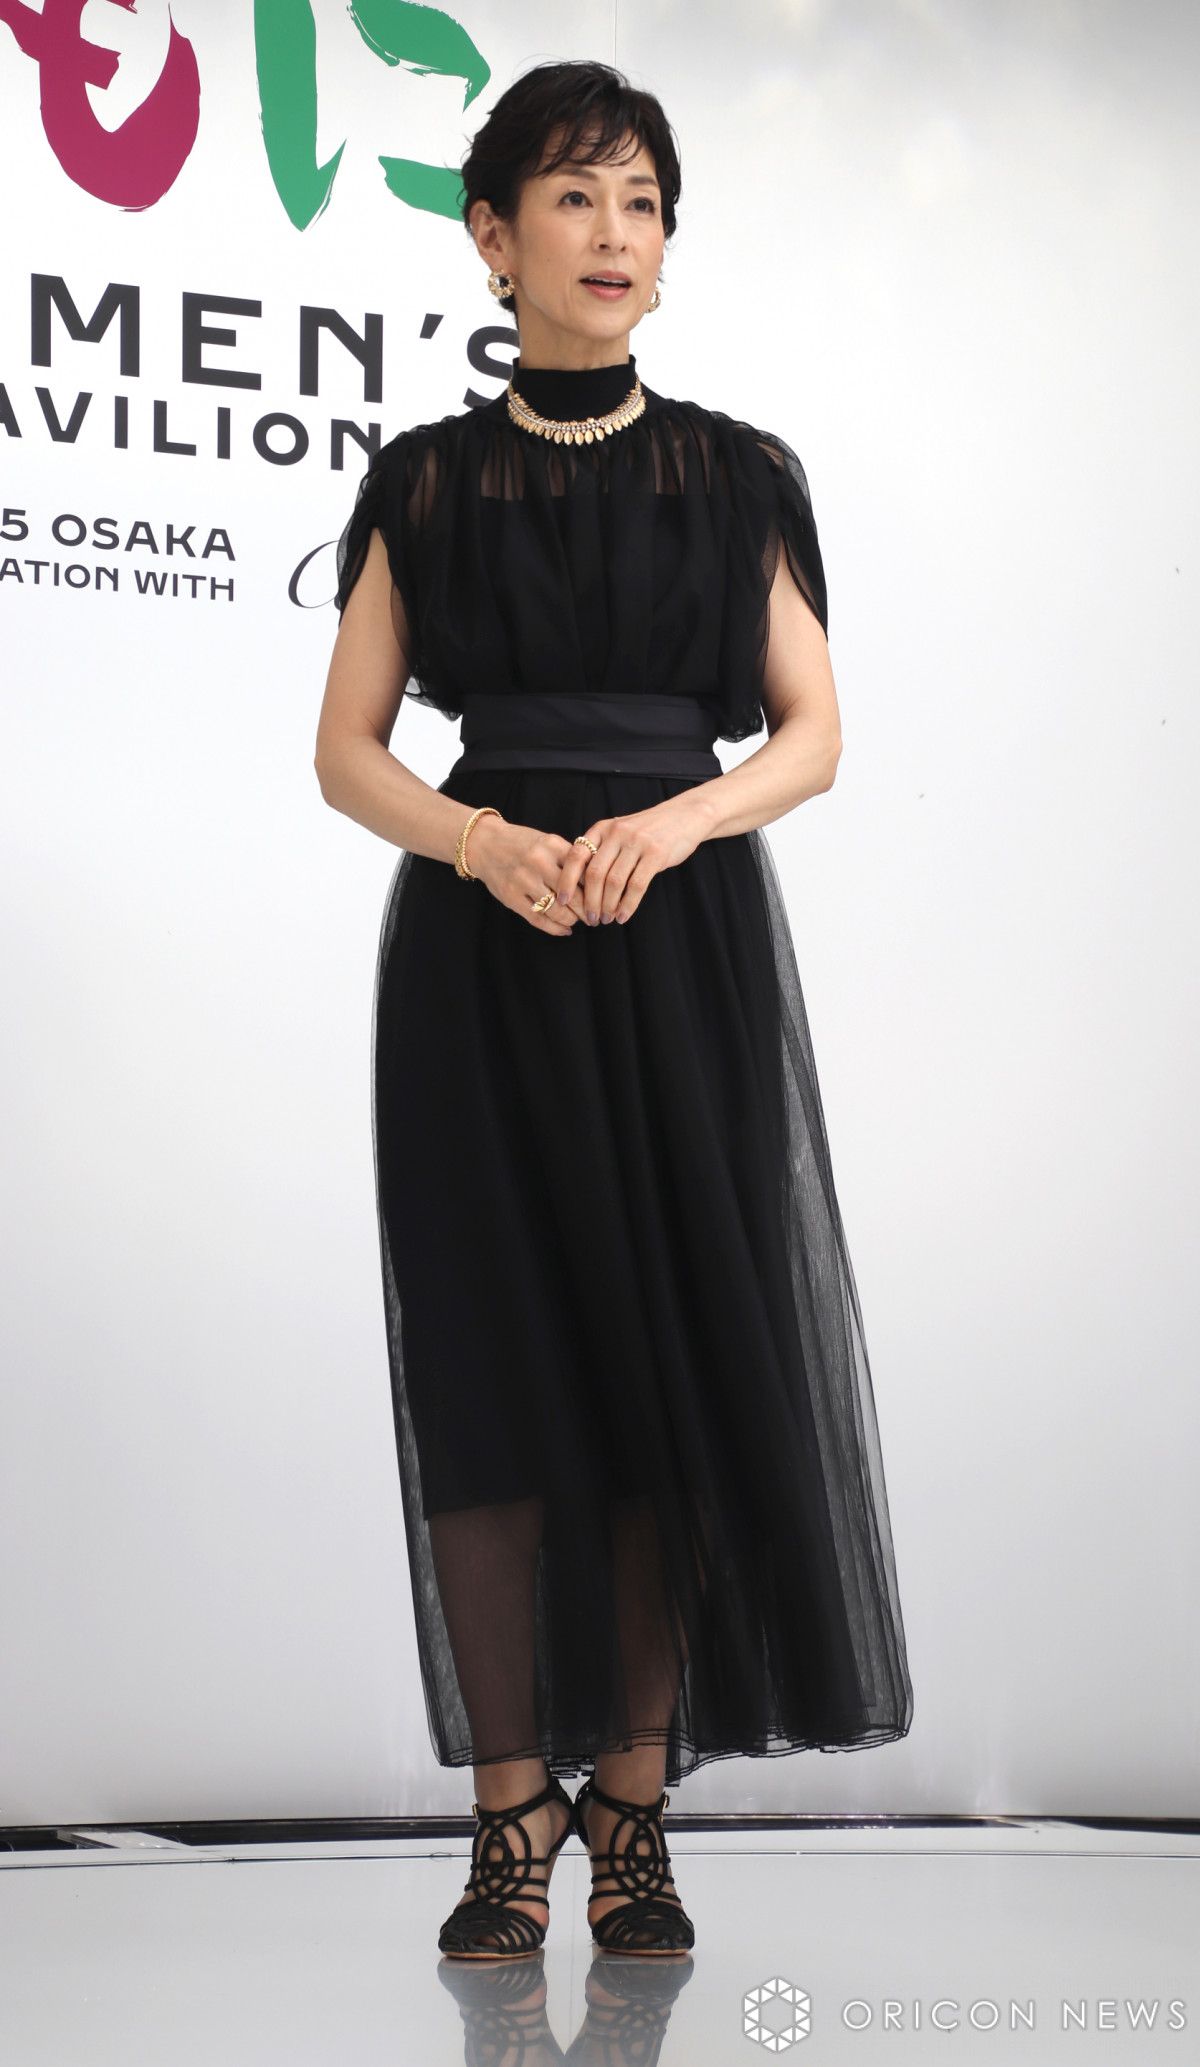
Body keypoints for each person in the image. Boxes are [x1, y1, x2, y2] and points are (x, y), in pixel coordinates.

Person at [315, 59, 913, 1963]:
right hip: (483, 958)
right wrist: (480, 842)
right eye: (573, 198)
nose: (614, 234)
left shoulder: (736, 474)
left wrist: (673, 821)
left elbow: (811, 736)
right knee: (492, 1368)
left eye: (642, 201)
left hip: (681, 947)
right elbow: (347, 754)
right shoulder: (424, 481)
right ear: (491, 238)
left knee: (666, 1368)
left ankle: (633, 1815)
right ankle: (512, 1817)